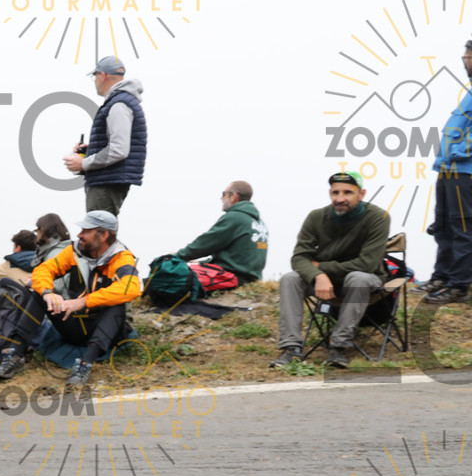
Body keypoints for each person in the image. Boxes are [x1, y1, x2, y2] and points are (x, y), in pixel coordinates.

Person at [0, 210, 142, 387]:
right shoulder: (74, 251)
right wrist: (48, 293)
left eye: (86, 230)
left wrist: (82, 302)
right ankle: (14, 355)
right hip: (76, 327)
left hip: (108, 332)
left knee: (117, 304)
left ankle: (85, 364)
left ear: (103, 235)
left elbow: (130, 288)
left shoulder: (122, 257)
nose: (79, 235)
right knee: (40, 295)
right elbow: (44, 270)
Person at [271, 172, 392, 369]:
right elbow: (299, 258)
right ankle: (290, 347)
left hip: (365, 279)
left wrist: (322, 267)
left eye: (347, 192)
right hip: (325, 281)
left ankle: (338, 346)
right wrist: (318, 276)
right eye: (335, 192)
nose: (340, 198)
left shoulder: (378, 217)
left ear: (361, 194)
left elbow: (367, 264)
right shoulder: (316, 217)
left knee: (358, 278)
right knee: (290, 279)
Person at [418, 38, 472, 304]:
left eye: (468, 57)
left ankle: (459, 286)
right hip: (449, 170)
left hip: (464, 169)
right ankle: (443, 277)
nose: (465, 61)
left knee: (462, 227)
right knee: (443, 226)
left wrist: (459, 151)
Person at [63, 56, 146, 215]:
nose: (94, 81)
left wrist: (84, 163)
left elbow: (119, 149)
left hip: (107, 182)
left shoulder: (118, 104)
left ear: (103, 75)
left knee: (97, 228)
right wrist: (90, 150)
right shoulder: (121, 101)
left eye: (94, 77)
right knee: (99, 227)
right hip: (110, 179)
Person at [173, 180, 268, 290]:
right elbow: (238, 258)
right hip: (251, 279)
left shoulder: (235, 217)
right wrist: (201, 262)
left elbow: (205, 244)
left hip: (233, 278)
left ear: (234, 196)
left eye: (224, 194)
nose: (221, 198)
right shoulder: (259, 223)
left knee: (173, 279)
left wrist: (177, 256)